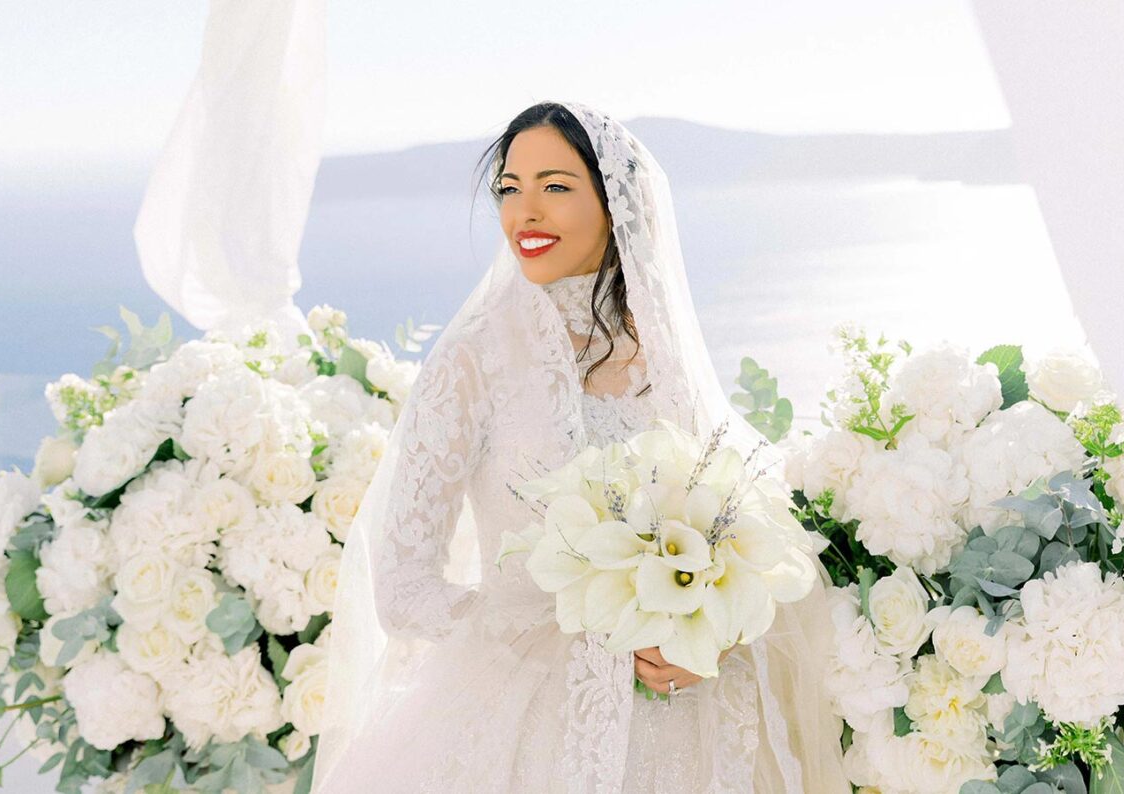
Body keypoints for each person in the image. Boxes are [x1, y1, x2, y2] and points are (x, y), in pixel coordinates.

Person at [312, 100, 849, 793]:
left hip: (694, 733)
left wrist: (711, 633)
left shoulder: (666, 352)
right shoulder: (474, 362)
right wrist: (586, 631)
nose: (523, 213)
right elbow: (403, 591)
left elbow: (745, 531)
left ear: (616, 205)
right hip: (525, 737)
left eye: (555, 187)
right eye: (509, 190)